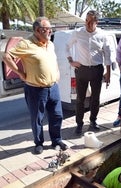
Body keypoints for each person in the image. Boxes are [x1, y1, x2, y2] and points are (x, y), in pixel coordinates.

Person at [2, 17, 68, 154]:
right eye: (47, 29)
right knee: (37, 118)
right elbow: (6, 57)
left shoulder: (50, 44)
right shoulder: (26, 44)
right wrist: (20, 73)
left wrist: (57, 72)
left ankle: (56, 140)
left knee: (57, 115)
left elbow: (52, 60)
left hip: (53, 87)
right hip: (35, 89)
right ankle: (39, 143)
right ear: (38, 30)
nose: (50, 31)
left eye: (50, 29)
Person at [66, 10, 112, 135]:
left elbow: (107, 54)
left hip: (97, 70)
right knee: (80, 99)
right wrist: (71, 61)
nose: (88, 23)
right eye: (86, 20)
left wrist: (108, 73)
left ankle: (93, 121)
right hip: (82, 70)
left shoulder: (102, 35)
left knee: (95, 99)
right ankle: (79, 124)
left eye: (91, 21)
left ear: (96, 22)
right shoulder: (78, 33)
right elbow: (67, 46)